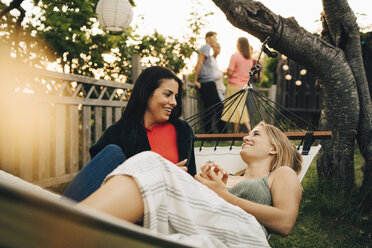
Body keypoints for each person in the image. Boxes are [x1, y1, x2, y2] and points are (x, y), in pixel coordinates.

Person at [78, 121, 303, 247]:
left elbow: (285, 222)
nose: (246, 137)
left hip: (246, 235)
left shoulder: (281, 174)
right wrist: (200, 184)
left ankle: (69, 227)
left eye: (255, 134)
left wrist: (224, 196)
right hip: (203, 228)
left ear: (274, 147)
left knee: (151, 162)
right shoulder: (228, 176)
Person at [63, 66, 197, 202]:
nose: (174, 102)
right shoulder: (118, 133)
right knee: (112, 151)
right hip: (122, 204)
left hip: (168, 205)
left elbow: (191, 178)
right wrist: (161, 174)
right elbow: (102, 182)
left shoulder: (182, 131)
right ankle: (62, 215)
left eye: (176, 96)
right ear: (147, 93)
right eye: (167, 95)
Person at [222, 37, 255, 133]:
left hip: (234, 85)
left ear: (239, 44)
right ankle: (250, 131)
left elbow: (230, 72)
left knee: (235, 108)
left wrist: (225, 72)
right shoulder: (249, 59)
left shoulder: (235, 55)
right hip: (244, 86)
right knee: (241, 108)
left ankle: (235, 135)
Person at [194, 31, 225, 133]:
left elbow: (200, 63)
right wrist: (195, 80)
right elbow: (200, 63)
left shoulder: (206, 50)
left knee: (213, 107)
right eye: (214, 38)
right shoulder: (206, 47)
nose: (215, 41)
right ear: (208, 38)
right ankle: (211, 132)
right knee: (214, 108)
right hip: (207, 82)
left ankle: (215, 131)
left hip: (209, 82)